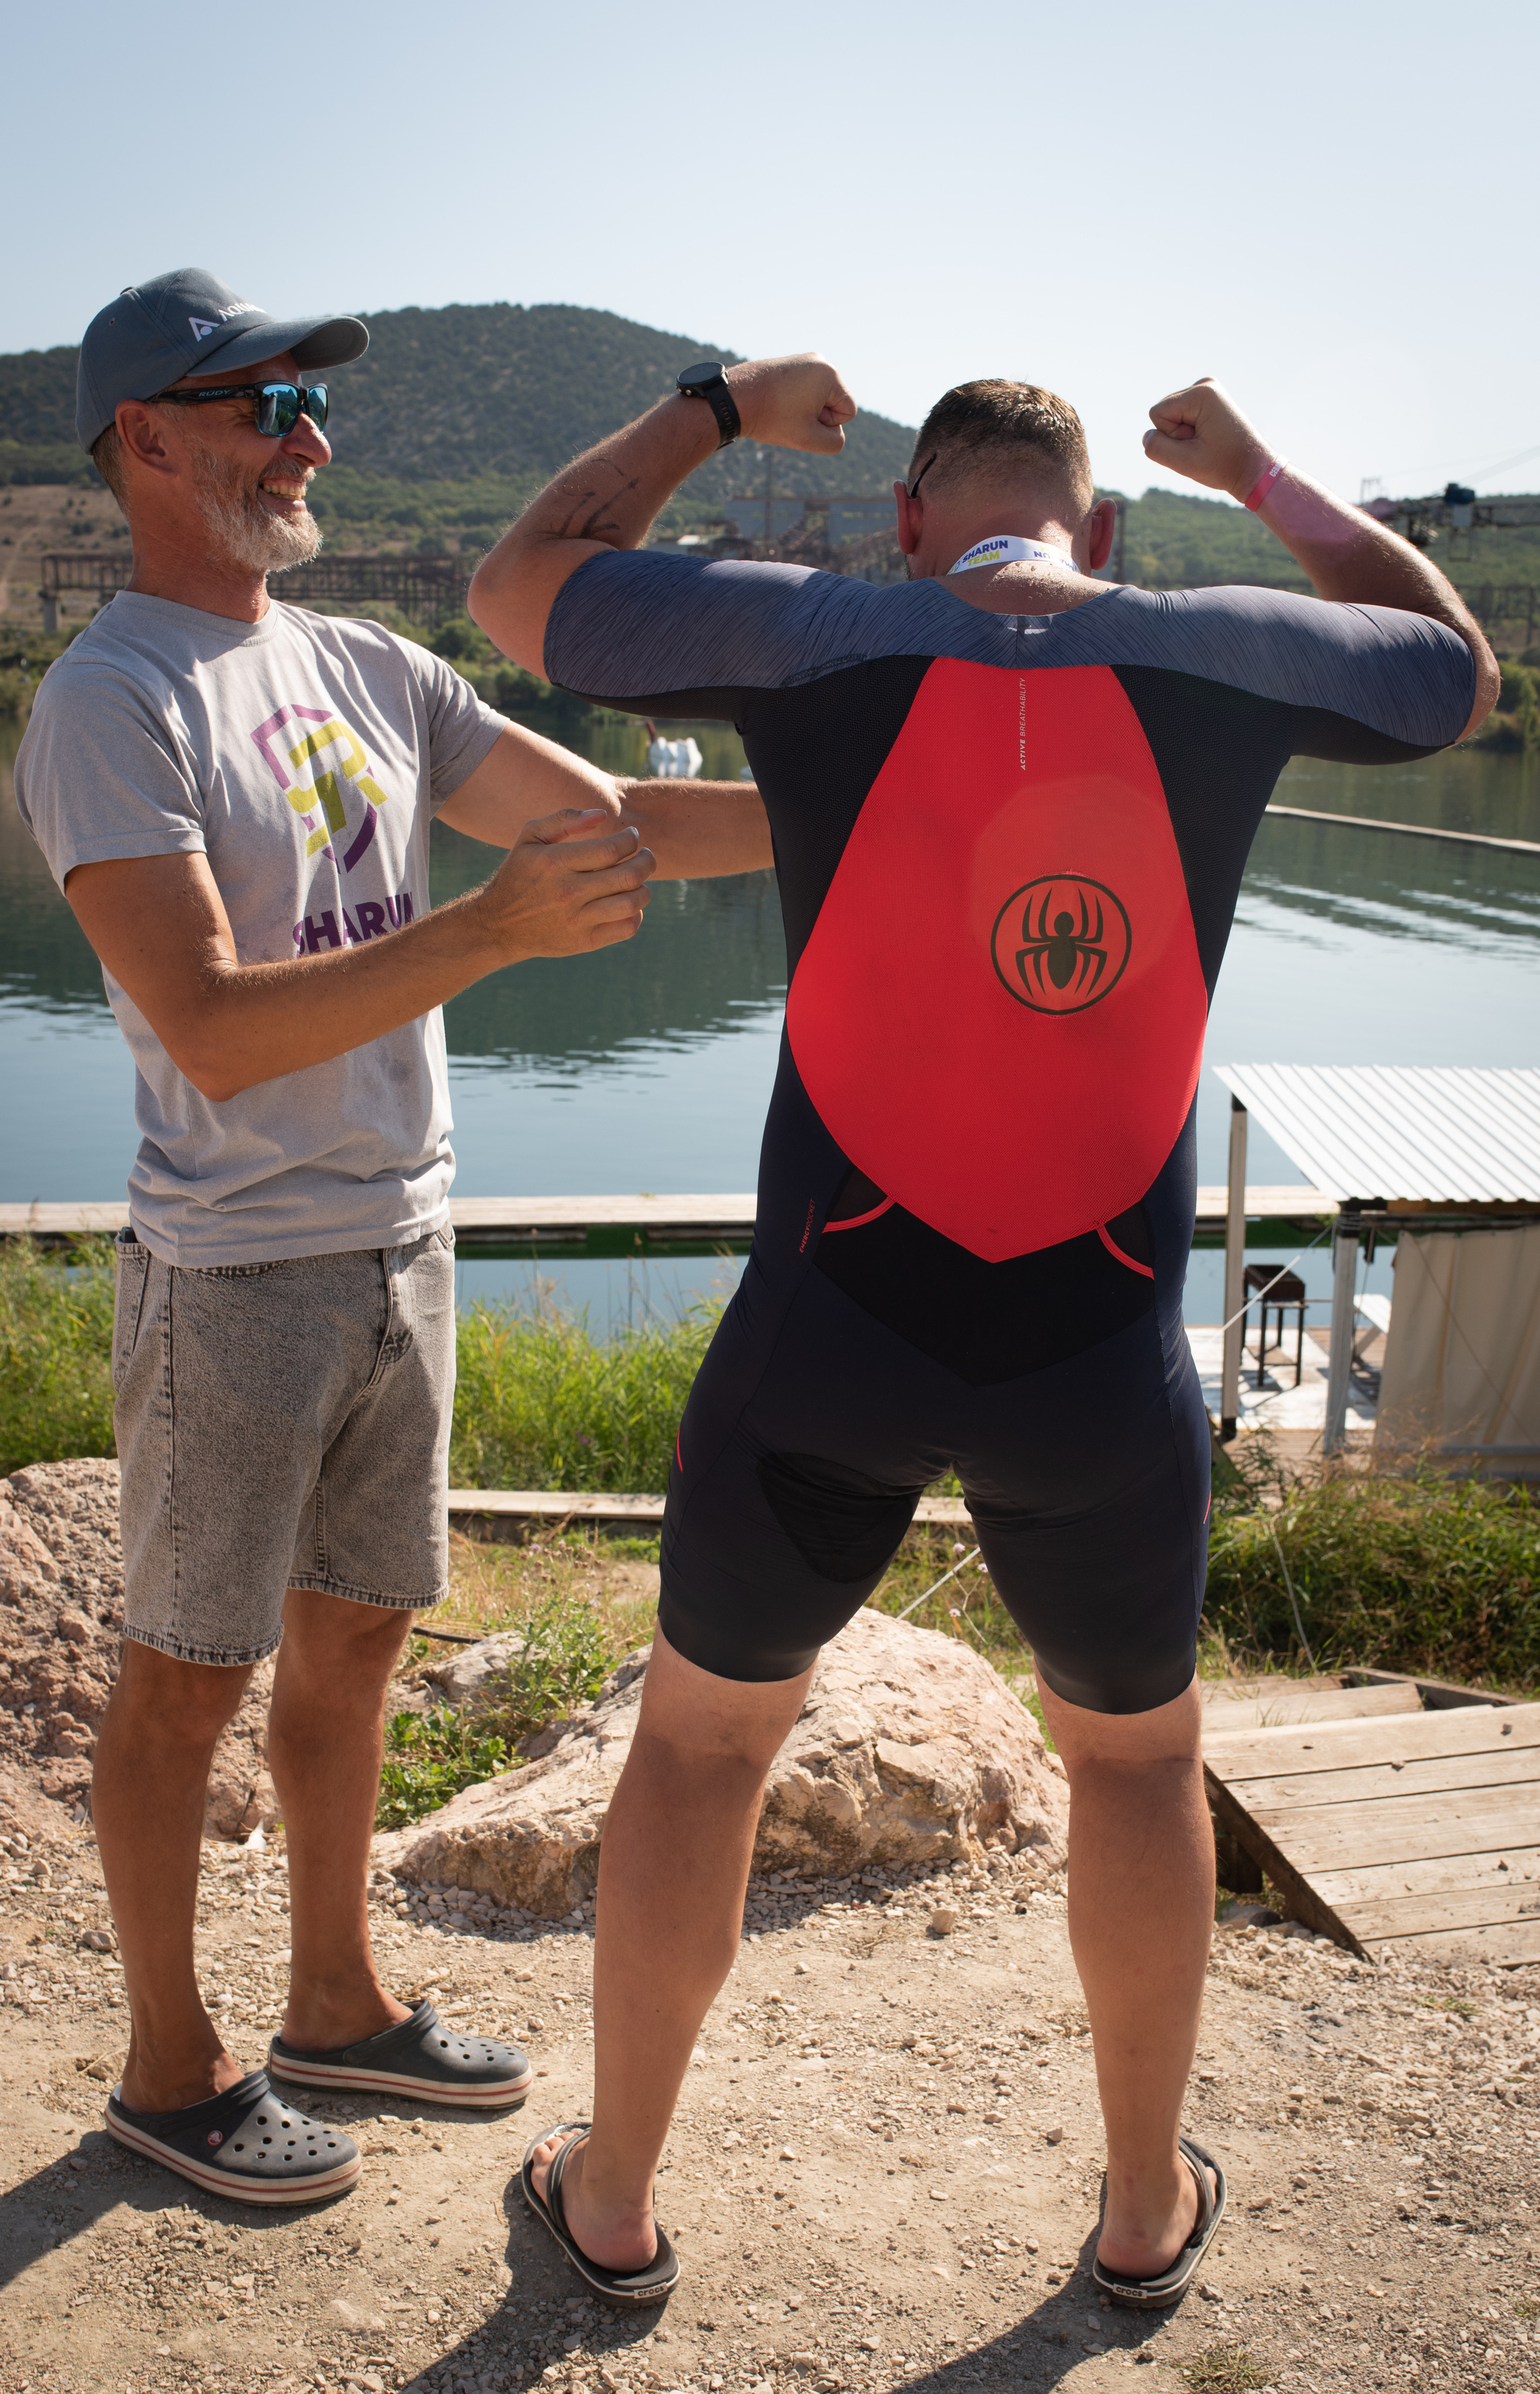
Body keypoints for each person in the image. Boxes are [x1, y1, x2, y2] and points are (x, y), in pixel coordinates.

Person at [468, 356, 1496, 2305]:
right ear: (1100, 529)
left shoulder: (811, 632)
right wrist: (1265, 476)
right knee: (1135, 1764)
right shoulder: (1226, 646)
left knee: (699, 1749)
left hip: (828, 1321)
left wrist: (709, 407)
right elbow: (1456, 667)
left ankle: (609, 2202)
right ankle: (1136, 2217)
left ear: (912, 521)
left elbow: (524, 582)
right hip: (1098, 1351)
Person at [14, 269, 772, 2207]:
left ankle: (334, 2008)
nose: (308, 438)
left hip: (400, 1243)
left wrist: (872, 807)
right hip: (237, 1271)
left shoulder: (360, 659)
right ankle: (167, 2072)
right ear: (147, 445)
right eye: (261, 406)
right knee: (188, 1673)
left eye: (309, 405)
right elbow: (209, 1019)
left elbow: (610, 815)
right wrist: (486, 935)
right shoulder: (109, 702)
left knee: (358, 1637)